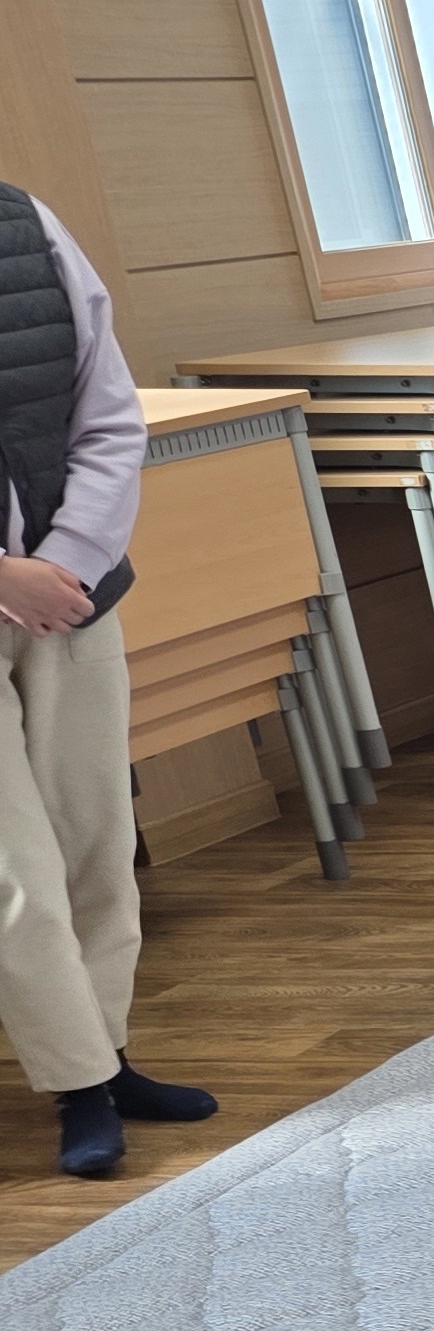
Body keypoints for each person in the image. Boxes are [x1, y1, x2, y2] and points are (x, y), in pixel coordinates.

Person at [0, 186, 195, 1181]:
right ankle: (76, 1086)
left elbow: (108, 412)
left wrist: (65, 562)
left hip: (69, 596)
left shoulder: (25, 221)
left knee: (95, 839)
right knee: (15, 874)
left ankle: (110, 1058)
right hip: (15, 587)